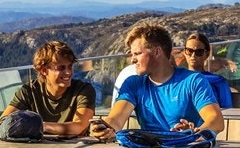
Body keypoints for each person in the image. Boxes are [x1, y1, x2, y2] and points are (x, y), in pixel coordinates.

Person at [91, 24, 224, 139]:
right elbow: (115, 119)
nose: (133, 60)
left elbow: (216, 121)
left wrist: (194, 134)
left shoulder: (193, 81)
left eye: (137, 53)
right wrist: (104, 128)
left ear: (157, 52)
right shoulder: (133, 84)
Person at [2, 40, 95, 137]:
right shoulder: (29, 91)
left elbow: (79, 127)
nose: (68, 72)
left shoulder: (83, 90)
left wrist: (40, 126)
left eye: (70, 66)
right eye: (61, 68)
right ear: (44, 71)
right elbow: (0, 123)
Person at [179, 33, 235, 111]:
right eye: (189, 51)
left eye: (199, 52)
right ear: (184, 53)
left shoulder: (218, 81)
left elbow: (227, 111)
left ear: (207, 54)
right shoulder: (176, 79)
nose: (193, 55)